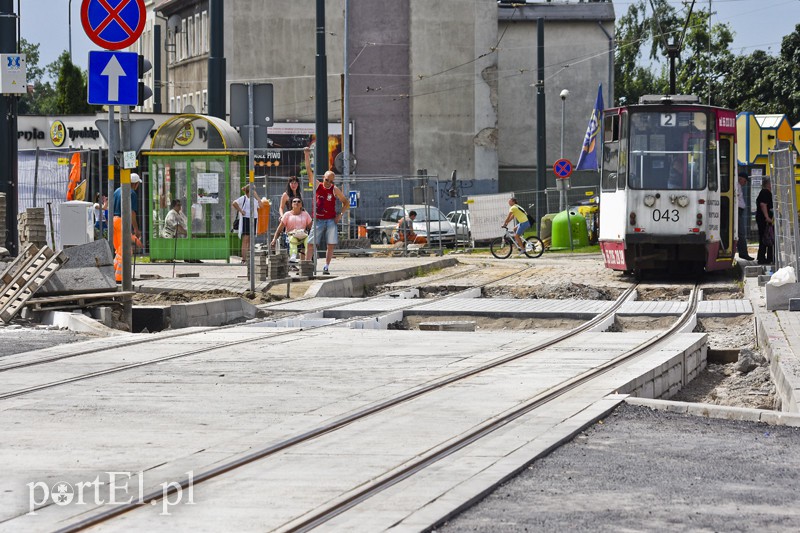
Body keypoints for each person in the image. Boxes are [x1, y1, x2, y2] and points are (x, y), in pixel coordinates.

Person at [307, 170, 349, 275]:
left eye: (330, 181)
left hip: (330, 219)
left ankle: (326, 267)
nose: (328, 183)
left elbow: (346, 203)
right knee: (310, 244)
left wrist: (340, 215)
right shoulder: (317, 185)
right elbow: (309, 172)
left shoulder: (334, 189)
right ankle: (307, 267)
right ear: (323, 178)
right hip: (318, 220)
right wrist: (307, 156)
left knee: (330, 244)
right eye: (326, 180)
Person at [111, 173, 142, 282]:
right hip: (121, 222)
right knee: (124, 250)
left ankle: (113, 273)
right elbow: (132, 213)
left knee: (118, 249)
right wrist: (136, 229)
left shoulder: (117, 190)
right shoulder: (132, 193)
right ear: (136, 184)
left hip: (113, 221)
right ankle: (120, 278)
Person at [271, 197, 312, 263]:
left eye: (299, 201)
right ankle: (293, 255)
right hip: (291, 235)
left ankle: (308, 257)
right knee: (292, 239)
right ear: (291, 204)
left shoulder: (305, 214)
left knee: (308, 240)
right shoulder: (287, 214)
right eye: (294, 201)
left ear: (301, 205)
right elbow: (279, 229)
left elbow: (311, 227)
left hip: (303, 235)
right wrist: (274, 239)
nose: (296, 203)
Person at [232, 184, 262, 264]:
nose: (255, 192)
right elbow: (234, 203)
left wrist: (257, 197)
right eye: (253, 190)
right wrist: (241, 211)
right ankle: (244, 259)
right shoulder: (244, 198)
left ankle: (249, 258)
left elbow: (261, 206)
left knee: (250, 240)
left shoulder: (255, 199)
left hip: (254, 219)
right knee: (245, 239)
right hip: (246, 219)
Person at [755, 177, 774, 265]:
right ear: (768, 184)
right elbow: (763, 204)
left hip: (766, 219)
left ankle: (765, 257)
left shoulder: (767, 192)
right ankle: (764, 258)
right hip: (764, 220)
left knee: (767, 237)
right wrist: (767, 217)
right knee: (766, 238)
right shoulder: (765, 192)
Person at [736, 171, 754, 260]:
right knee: (741, 233)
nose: (745, 183)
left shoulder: (738, 185)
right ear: (741, 178)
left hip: (739, 211)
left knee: (740, 233)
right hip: (737, 211)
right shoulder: (736, 185)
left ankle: (743, 252)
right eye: (745, 181)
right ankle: (743, 253)